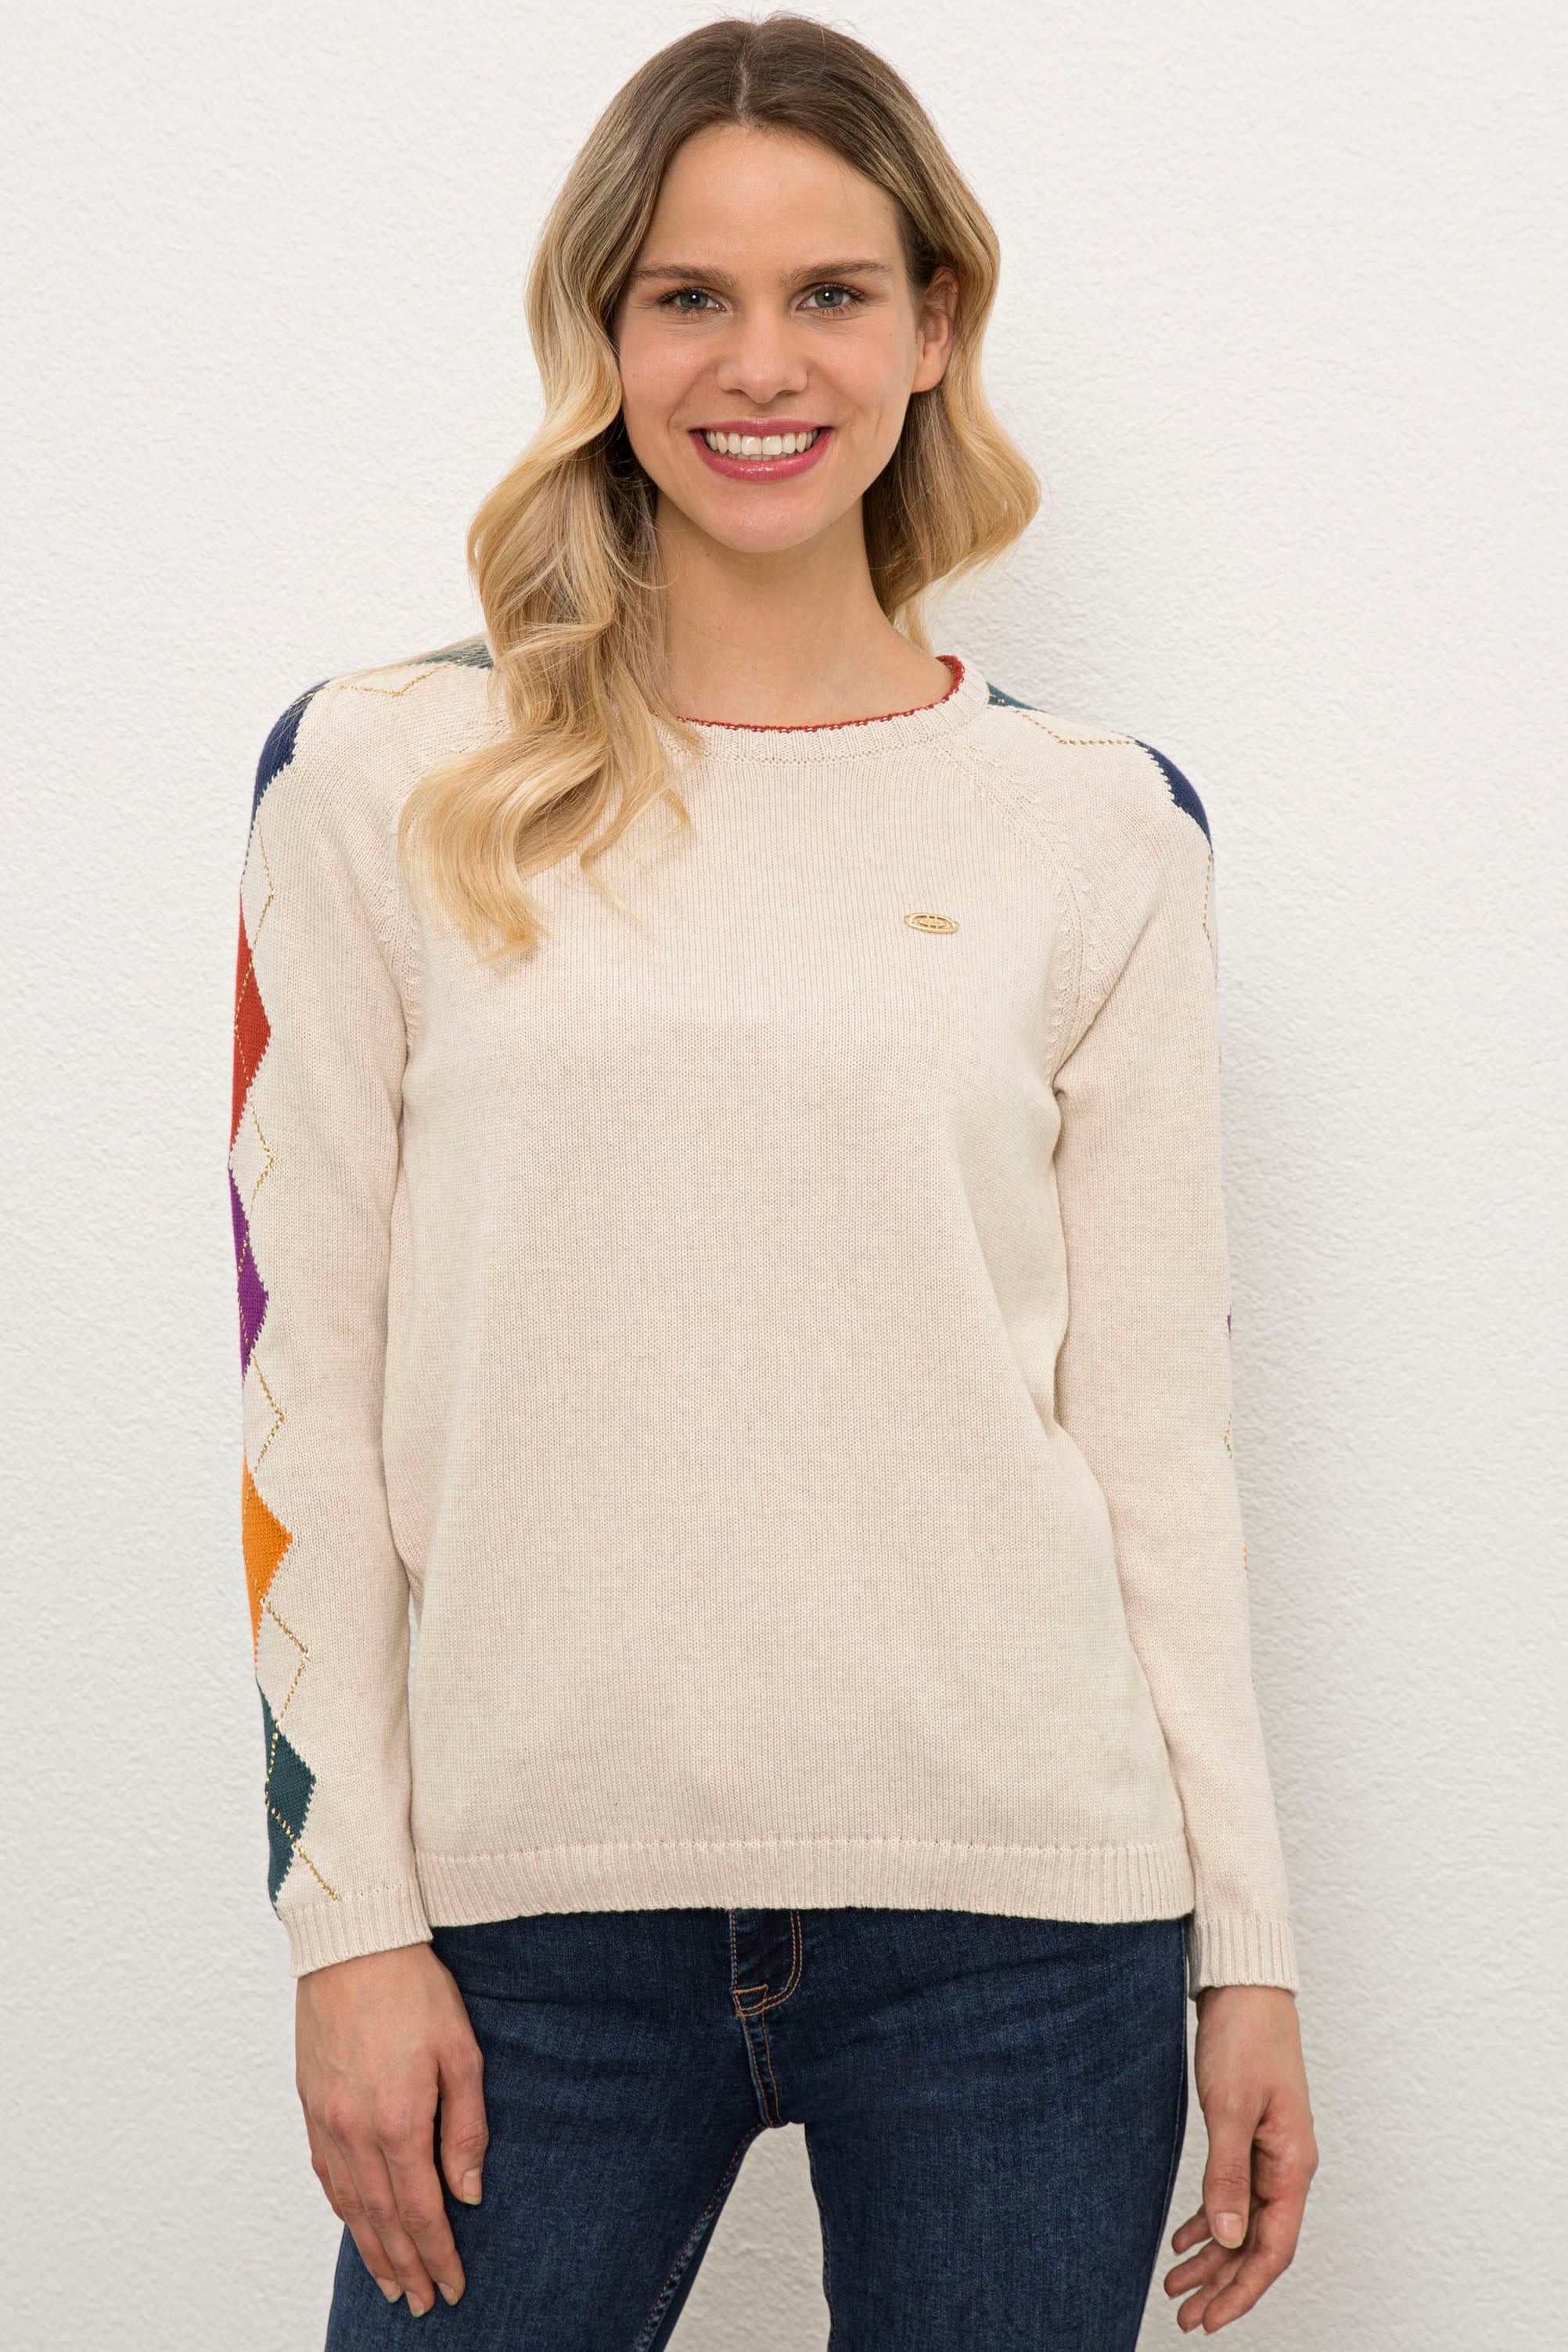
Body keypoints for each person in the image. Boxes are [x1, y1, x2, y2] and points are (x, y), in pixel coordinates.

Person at [228, 15, 1317, 2345]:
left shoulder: (1098, 827)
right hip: (522, 1921)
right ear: (603, 334)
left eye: (831, 292)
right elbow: (302, 1390)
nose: (759, 364)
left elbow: (1156, 1438)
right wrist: (349, 1922)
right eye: (688, 298)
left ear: (934, 328)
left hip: (1027, 1922)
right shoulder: (382, 779)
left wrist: (1248, 1949)